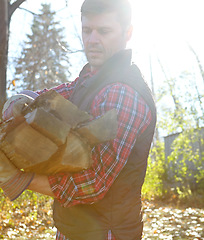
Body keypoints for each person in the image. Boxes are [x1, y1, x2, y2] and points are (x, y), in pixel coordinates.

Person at [0, 0, 156, 239]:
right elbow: (56, 95)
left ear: (128, 32)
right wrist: (21, 101)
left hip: (106, 233)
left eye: (103, 31)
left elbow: (93, 183)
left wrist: (20, 179)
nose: (92, 39)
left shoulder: (124, 93)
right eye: (87, 30)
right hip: (74, 229)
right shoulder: (91, 78)